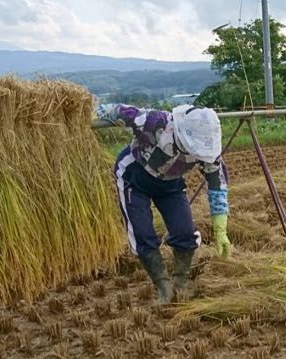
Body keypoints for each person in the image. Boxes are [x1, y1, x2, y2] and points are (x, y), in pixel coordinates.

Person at [93, 103, 231, 304]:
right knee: (142, 233)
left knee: (185, 234)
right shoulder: (154, 121)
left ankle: (180, 282)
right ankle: (163, 286)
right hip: (134, 177)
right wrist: (90, 114)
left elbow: (217, 188)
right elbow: (119, 110)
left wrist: (220, 230)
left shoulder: (209, 152)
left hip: (170, 184)